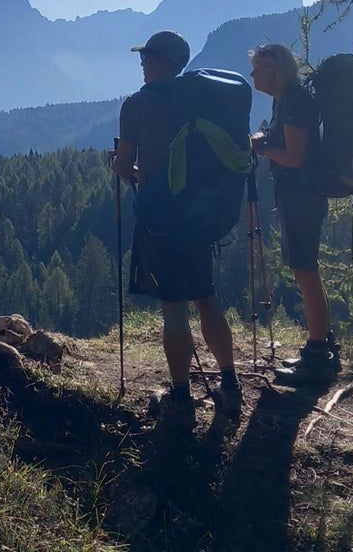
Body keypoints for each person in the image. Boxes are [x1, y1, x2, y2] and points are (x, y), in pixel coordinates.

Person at [111, 30, 243, 423]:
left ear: (160, 60)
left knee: (174, 309)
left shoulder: (136, 104)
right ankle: (230, 384)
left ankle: (181, 397)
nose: (141, 62)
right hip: (201, 213)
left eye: (147, 55)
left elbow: (123, 165)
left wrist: (124, 170)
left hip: (162, 217)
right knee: (206, 296)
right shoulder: (200, 99)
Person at [249, 43, 338, 384]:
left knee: (305, 271)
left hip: (302, 195)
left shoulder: (296, 102)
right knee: (307, 271)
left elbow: (295, 157)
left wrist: (264, 149)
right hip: (299, 195)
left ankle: (316, 355)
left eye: (258, 68)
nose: (253, 74)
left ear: (276, 72)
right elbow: (280, 140)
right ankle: (322, 346)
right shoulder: (285, 100)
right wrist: (262, 138)